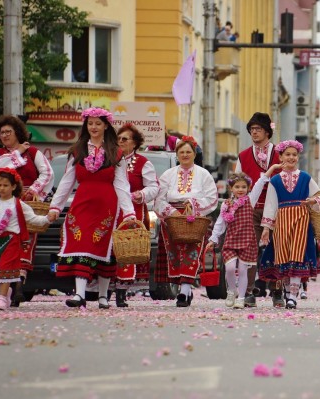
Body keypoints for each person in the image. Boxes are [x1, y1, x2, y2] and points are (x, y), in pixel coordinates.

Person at [47, 107, 136, 309]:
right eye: (90, 123)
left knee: (103, 247)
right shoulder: (77, 151)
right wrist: (55, 207)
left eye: (98, 123)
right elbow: (66, 182)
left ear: (106, 125)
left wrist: (129, 212)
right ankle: (80, 294)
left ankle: (104, 296)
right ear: (86, 126)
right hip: (82, 204)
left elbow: (122, 185)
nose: (94, 127)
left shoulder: (117, 153)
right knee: (80, 245)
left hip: (106, 206)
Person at [0, 115, 54, 307]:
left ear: (17, 132)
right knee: (4, 244)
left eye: (8, 132)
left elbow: (48, 172)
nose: (4, 135)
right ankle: (8, 287)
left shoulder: (33, 152)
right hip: (3, 205)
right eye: (1, 132)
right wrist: (17, 153)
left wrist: (34, 190)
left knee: (25, 241)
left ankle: (18, 282)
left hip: (25, 203)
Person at [206, 165, 281, 309]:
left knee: (242, 270)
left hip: (247, 241)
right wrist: (213, 239)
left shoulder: (250, 200)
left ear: (248, 188)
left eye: (243, 187)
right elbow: (220, 224)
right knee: (228, 268)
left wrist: (272, 168)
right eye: (237, 187)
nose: (240, 189)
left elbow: (261, 182)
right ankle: (231, 291)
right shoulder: (226, 205)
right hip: (231, 240)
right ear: (231, 188)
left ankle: (241, 297)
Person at [154, 137, 218, 307]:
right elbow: (159, 198)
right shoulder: (168, 174)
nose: (185, 155)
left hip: (194, 218)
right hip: (172, 218)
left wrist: (194, 206)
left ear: (194, 154)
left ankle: (184, 291)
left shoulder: (203, 174)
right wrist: (172, 212)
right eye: (181, 152)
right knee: (175, 254)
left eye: (188, 151)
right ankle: (185, 290)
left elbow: (212, 198)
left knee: (191, 253)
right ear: (176, 154)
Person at [259, 140, 320, 309]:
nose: (291, 157)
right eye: (287, 154)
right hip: (282, 221)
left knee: (297, 256)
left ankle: (293, 295)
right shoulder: (275, 180)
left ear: (298, 157)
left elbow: (319, 196)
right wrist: (266, 228)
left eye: (294, 154)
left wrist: (313, 200)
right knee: (284, 257)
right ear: (280, 157)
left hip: (301, 219)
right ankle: (287, 293)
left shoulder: (306, 177)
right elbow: (270, 205)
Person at [235, 112, 282, 307]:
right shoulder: (243, 155)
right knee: (249, 251)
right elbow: (236, 183)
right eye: (251, 129)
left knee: (277, 249)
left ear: (267, 132)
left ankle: (277, 290)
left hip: (277, 209)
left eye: (258, 129)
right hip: (251, 209)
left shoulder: (281, 154)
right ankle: (249, 291)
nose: (254, 133)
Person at [113, 124, 160, 307]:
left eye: (125, 139)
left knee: (127, 250)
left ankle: (121, 291)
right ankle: (102, 291)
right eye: (118, 139)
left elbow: (154, 187)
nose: (121, 142)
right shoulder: (111, 159)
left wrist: (141, 194)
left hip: (132, 212)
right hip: (110, 210)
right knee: (110, 249)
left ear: (135, 143)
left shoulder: (142, 163)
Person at [0, 168, 51, 310]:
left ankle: (1, 297)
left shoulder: (19, 204)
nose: (2, 188)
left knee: (5, 267)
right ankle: (6, 292)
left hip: (11, 240)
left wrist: (47, 218)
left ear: (13, 187)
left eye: (5, 185)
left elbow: (33, 219)